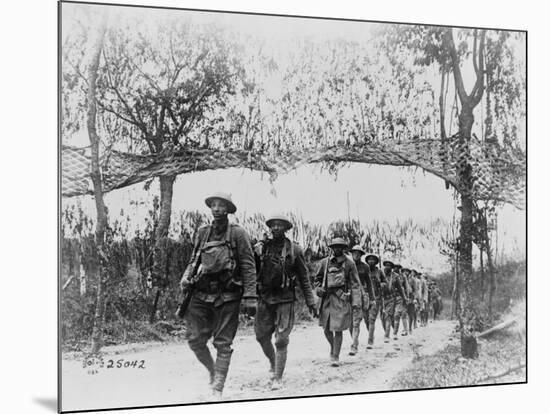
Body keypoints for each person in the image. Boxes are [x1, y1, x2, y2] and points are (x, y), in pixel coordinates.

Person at [179, 192, 257, 399]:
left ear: (228, 209)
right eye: (213, 205)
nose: (216, 209)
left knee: (223, 343)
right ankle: (213, 371)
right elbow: (194, 259)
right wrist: (186, 277)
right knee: (195, 340)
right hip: (202, 292)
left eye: (221, 205)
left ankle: (218, 386)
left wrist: (250, 296)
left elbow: (249, 265)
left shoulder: (238, 234)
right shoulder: (203, 232)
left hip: (228, 295)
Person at [253, 213, 317, 390]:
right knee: (261, 336)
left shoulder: (294, 250)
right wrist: (256, 250)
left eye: (280, 225)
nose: (275, 228)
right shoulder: (262, 247)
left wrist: (311, 302)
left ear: (286, 228)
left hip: (285, 298)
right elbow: (250, 270)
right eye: (273, 225)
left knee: (281, 339)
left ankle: (278, 377)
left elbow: (304, 278)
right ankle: (273, 363)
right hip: (265, 297)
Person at [314, 238, 362, 366]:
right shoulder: (325, 263)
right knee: (326, 329)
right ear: (331, 248)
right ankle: (333, 347)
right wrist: (318, 288)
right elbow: (317, 279)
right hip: (327, 299)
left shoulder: (349, 263)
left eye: (339, 247)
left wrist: (356, 301)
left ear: (343, 248)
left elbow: (356, 284)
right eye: (334, 247)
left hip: (341, 300)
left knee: (338, 329)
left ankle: (335, 356)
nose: (337, 249)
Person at [348, 245, 374, 356]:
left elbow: (369, 283)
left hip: (360, 294)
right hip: (348, 294)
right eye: (354, 252)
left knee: (356, 321)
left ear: (361, 255)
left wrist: (372, 298)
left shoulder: (365, 267)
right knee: (350, 323)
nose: (356, 254)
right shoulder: (347, 265)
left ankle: (354, 346)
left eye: (358, 253)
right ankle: (355, 340)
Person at [364, 253, 386, 349]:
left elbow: (385, 282)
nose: (371, 261)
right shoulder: (364, 270)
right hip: (365, 297)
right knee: (366, 319)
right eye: (369, 260)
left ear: (376, 262)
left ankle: (370, 340)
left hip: (376, 297)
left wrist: (381, 284)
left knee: (372, 319)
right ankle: (371, 334)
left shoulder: (379, 272)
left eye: (373, 260)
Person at [381, 261, 407, 342]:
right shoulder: (381, 274)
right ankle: (387, 331)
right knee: (384, 317)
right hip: (383, 298)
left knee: (394, 315)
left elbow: (401, 288)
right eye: (386, 265)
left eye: (389, 266)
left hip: (395, 298)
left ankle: (391, 334)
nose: (387, 267)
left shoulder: (395, 276)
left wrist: (405, 298)